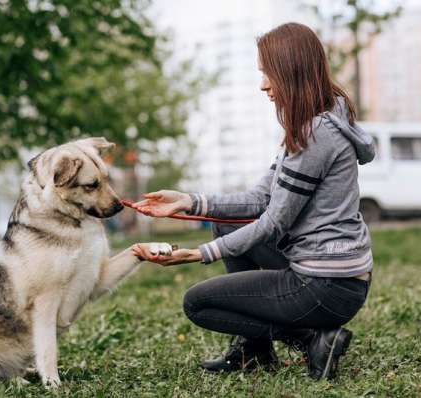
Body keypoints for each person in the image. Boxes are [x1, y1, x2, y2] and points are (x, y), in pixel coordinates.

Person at [132, 22, 375, 380]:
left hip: (327, 285)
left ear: (290, 73)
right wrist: (187, 201)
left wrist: (201, 254)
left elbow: (273, 222)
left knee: (197, 303)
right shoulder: (316, 123)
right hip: (337, 276)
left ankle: (314, 338)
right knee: (224, 223)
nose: (263, 84)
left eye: (268, 74)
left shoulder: (315, 136)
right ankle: (256, 353)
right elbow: (260, 198)